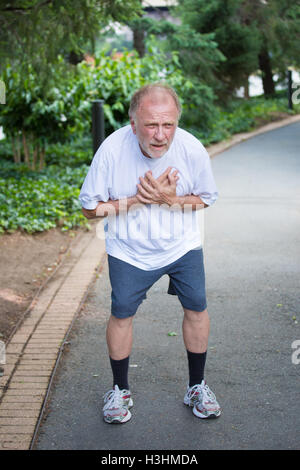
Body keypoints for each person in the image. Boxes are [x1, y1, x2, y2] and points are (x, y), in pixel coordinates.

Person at [79, 82, 221, 423]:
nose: (160, 135)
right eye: (151, 125)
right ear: (133, 124)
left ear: (177, 122)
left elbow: (206, 197)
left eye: (168, 124)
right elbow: (88, 210)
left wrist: (171, 200)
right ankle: (119, 390)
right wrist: (135, 200)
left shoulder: (191, 149)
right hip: (129, 251)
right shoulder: (112, 151)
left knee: (197, 308)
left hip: (181, 246)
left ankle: (197, 386)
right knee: (122, 313)